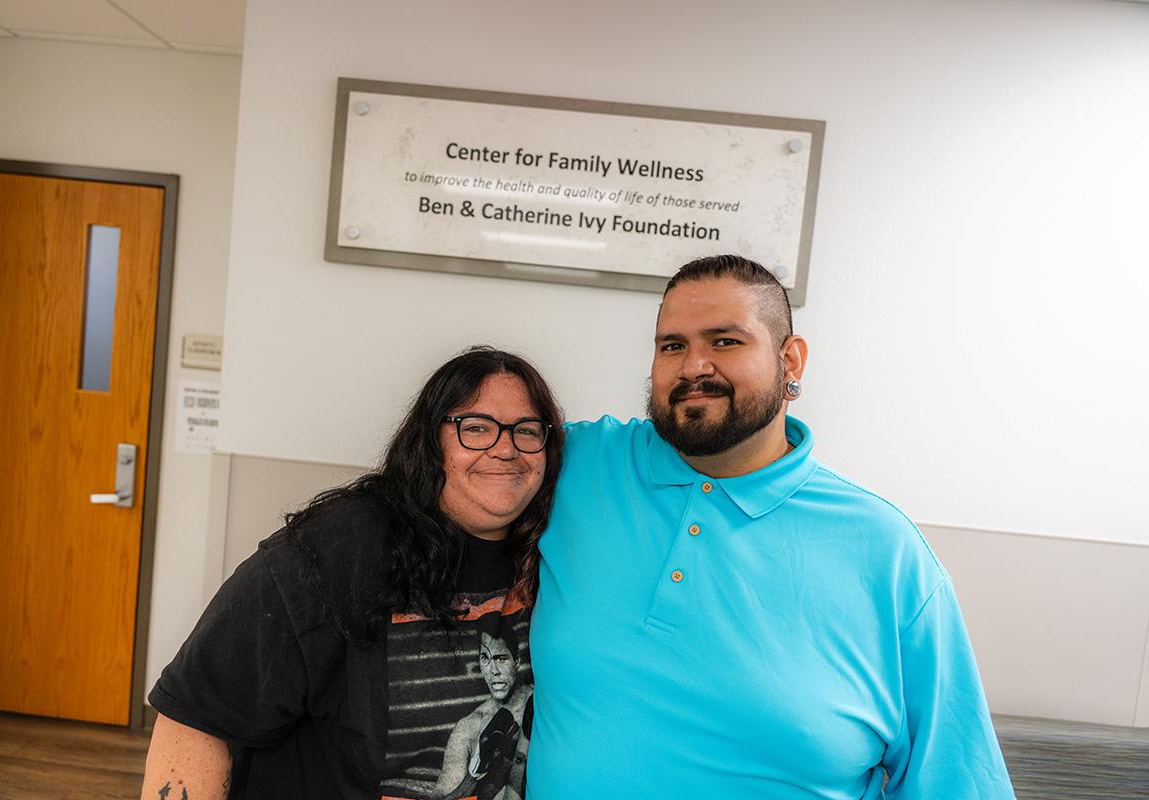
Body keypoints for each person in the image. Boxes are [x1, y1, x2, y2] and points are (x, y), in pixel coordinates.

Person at [528, 255, 1016, 798]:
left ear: (791, 361)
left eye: (725, 341)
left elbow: (954, 781)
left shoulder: (886, 550)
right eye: (672, 346)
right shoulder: (576, 466)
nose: (693, 366)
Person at [141, 347, 563, 800]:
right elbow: (198, 718)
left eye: (526, 430)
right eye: (476, 428)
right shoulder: (340, 547)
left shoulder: (553, 555)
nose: (505, 448)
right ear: (431, 442)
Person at [432, 629, 533, 800]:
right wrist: (474, 773)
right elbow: (443, 796)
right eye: (485, 658)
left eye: (500, 659)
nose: (493, 670)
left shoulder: (542, 702)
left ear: (517, 661)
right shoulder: (468, 727)